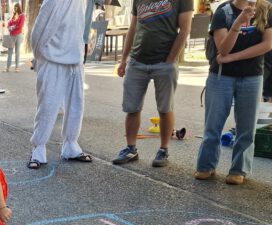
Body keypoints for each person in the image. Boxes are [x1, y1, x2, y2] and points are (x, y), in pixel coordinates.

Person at [195, 0, 272, 185]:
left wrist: (232, 58)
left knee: (246, 128)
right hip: (221, 76)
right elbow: (223, 48)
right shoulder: (224, 10)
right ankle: (206, 166)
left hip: (252, 76)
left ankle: (239, 170)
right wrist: (238, 22)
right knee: (213, 125)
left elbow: (267, 45)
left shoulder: (267, 9)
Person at [115, 0, 194, 167]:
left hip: (164, 62)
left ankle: (163, 150)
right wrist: (124, 59)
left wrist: (170, 60)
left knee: (165, 109)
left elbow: (185, 29)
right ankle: (131, 149)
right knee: (132, 108)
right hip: (137, 61)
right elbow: (133, 28)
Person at [28, 0, 93, 169]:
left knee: (76, 104)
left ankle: (71, 145)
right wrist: (40, 55)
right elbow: (39, 31)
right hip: (52, 58)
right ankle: (38, 148)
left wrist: (81, 47)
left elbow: (79, 26)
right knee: (48, 105)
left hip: (75, 57)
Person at [4, 6, 25, 72]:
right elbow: (8, 24)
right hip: (11, 36)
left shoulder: (22, 16)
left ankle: (17, 67)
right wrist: (12, 26)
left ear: (18, 8)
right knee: (10, 52)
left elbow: (20, 25)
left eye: (16, 7)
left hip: (18, 35)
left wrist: (12, 27)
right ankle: (7, 67)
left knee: (17, 51)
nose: (15, 9)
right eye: (14, 8)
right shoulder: (13, 15)